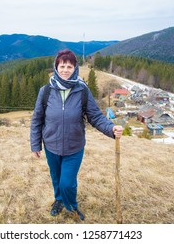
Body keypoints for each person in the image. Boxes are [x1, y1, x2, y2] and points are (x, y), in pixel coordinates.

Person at [30, 49, 123, 221]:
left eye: (69, 66)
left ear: (75, 68)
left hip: (74, 147)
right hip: (51, 146)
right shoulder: (46, 91)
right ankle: (58, 200)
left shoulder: (82, 91)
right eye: (62, 66)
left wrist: (111, 129)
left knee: (67, 182)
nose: (65, 70)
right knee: (56, 177)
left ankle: (71, 205)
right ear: (56, 67)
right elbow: (37, 119)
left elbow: (95, 117)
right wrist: (36, 145)